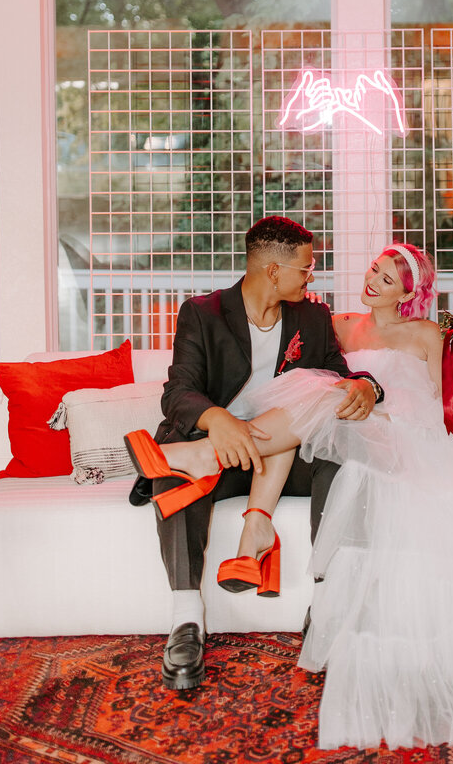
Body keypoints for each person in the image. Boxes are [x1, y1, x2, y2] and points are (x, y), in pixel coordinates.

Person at [128, 243, 453, 749]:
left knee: (326, 399)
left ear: (409, 293)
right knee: (316, 392)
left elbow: (448, 403)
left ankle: (227, 493)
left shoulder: (426, 332)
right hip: (329, 423)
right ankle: (240, 531)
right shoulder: (334, 322)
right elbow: (318, 371)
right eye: (374, 268)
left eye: (389, 279)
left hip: (396, 428)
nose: (374, 280)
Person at [127, 215, 383, 691]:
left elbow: (339, 372)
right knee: (174, 481)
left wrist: (367, 388)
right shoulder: (201, 313)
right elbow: (179, 392)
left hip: (282, 459)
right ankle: (187, 622)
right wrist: (218, 420)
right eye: (305, 269)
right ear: (272, 271)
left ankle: (326, 607)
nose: (311, 278)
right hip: (226, 447)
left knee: (341, 453)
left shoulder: (311, 316)